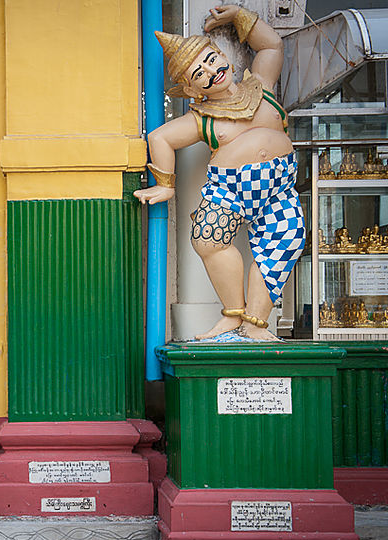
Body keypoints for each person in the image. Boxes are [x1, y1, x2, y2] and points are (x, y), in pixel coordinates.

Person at [134, 4, 305, 341]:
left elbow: (272, 46)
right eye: (199, 73)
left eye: (210, 60)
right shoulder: (203, 119)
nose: (211, 72)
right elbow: (161, 137)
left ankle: (255, 324)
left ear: (220, 55)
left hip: (280, 189)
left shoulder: (262, 86)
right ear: (193, 89)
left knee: (286, 240)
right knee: (208, 238)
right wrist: (166, 185)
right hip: (230, 189)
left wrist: (239, 16)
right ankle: (232, 314)